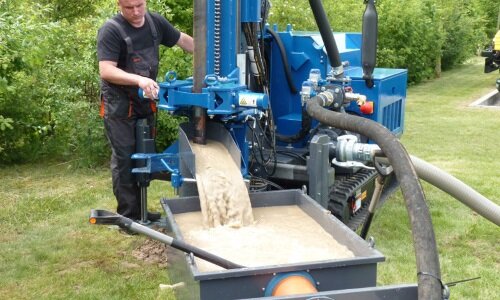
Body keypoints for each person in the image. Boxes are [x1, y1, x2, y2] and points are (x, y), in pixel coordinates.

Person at [97, 0, 194, 221]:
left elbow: (182, 40)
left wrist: (208, 56)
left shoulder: (155, 22)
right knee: (125, 157)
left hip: (144, 100)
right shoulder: (111, 30)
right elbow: (106, 70)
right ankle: (129, 216)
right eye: (129, 7)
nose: (136, 12)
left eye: (140, 5)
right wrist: (139, 80)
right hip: (119, 103)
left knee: (145, 155)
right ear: (119, 5)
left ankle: (141, 211)